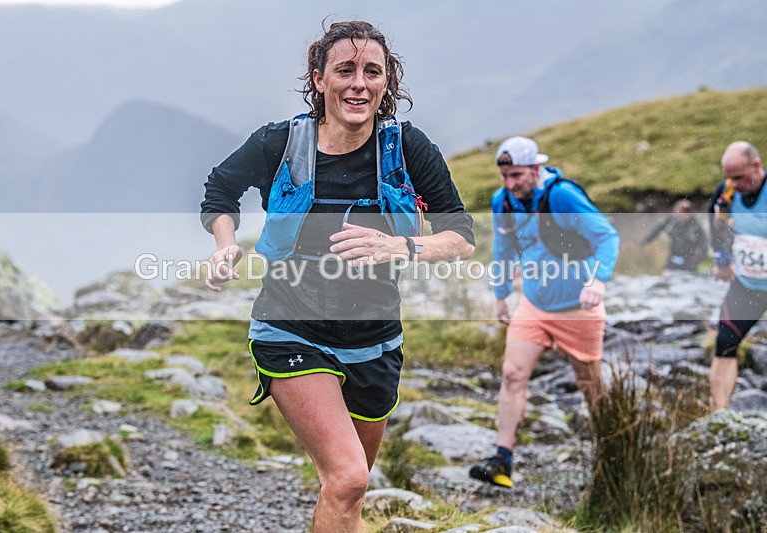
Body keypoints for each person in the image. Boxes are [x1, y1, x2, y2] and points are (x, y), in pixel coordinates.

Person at [200, 21, 475, 532]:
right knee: (349, 479)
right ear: (319, 79)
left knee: (348, 491)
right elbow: (219, 190)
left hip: (375, 340)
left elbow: (460, 235)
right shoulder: (280, 143)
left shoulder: (407, 149)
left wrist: (400, 245)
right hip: (290, 328)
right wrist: (225, 244)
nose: (359, 84)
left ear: (387, 81)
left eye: (373, 72)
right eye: (345, 70)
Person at [469, 136, 619, 488]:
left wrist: (597, 281)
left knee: (589, 385)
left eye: (517, 175)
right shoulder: (503, 201)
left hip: (578, 308)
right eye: (505, 176)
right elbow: (504, 249)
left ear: (536, 169)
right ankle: (502, 460)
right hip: (534, 305)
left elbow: (607, 237)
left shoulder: (561, 196)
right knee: (512, 375)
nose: (510, 184)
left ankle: (611, 457)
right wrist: (501, 295)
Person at [707, 141, 767, 412]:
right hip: (747, 286)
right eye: (729, 176)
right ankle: (719, 415)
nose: (733, 183)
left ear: (756, 166)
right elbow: (713, 221)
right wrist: (722, 260)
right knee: (725, 343)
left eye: (739, 177)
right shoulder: (727, 193)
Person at [641, 198, 708, 275]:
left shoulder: (696, 225)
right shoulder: (671, 220)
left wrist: (698, 259)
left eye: (685, 211)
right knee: (666, 275)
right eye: (680, 211)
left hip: (689, 261)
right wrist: (645, 241)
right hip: (673, 258)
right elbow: (657, 228)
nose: (682, 214)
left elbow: (704, 246)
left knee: (689, 278)